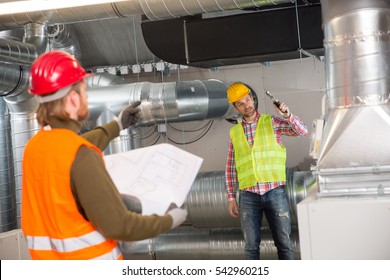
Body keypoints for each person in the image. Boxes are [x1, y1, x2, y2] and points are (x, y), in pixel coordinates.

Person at [21, 50, 187, 260]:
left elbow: (72, 149)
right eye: (83, 91)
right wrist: (169, 220)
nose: (87, 97)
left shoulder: (34, 148)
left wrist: (117, 125)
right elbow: (119, 225)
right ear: (72, 100)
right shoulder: (81, 156)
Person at [224, 82, 308, 260]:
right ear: (236, 107)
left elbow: (302, 131)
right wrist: (231, 197)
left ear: (252, 99)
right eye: (241, 103)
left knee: (284, 244)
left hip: (274, 191)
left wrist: (287, 115)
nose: (247, 105)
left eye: (248, 99)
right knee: (251, 247)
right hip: (248, 195)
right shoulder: (235, 133)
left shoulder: (272, 122)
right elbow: (230, 167)